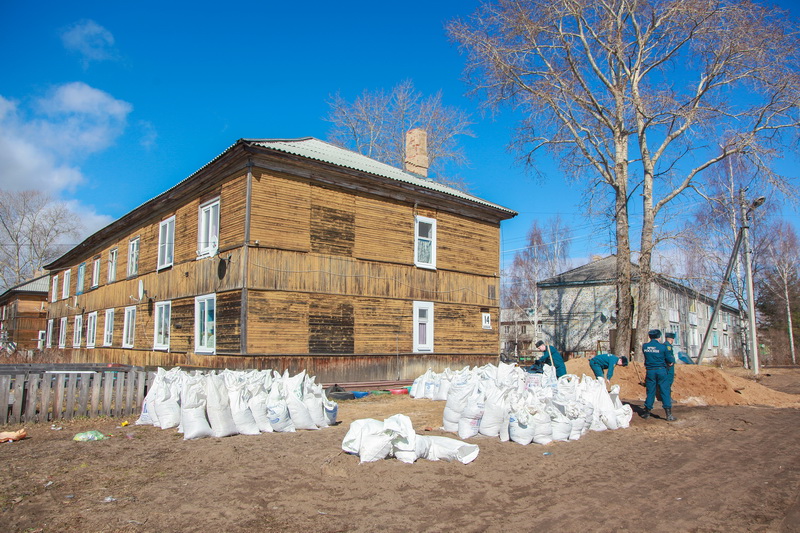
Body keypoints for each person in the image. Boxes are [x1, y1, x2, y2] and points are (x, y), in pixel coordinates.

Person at [641, 329, 676, 421]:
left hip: (650, 371)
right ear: (659, 337)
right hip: (661, 371)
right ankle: (668, 415)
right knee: (665, 391)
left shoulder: (645, 346)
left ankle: (647, 412)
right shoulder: (662, 347)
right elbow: (670, 360)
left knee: (650, 391)